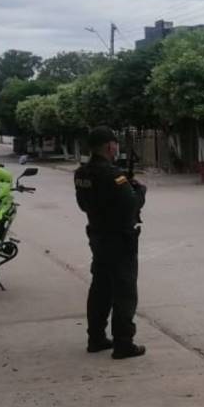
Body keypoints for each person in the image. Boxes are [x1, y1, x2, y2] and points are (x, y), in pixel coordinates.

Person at [74, 126, 147, 360]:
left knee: (101, 288)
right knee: (124, 291)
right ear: (109, 146)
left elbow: (83, 205)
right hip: (119, 238)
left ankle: (95, 338)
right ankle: (123, 343)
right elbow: (131, 205)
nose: (117, 148)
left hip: (97, 235)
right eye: (115, 144)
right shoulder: (113, 175)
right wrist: (140, 190)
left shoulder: (82, 174)